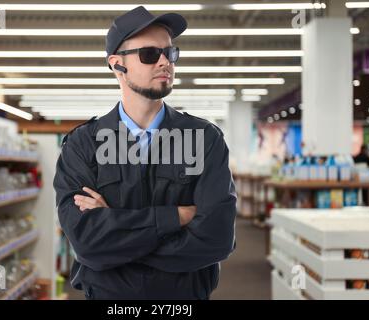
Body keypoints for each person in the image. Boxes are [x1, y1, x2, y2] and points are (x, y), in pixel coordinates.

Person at [53, 6, 237, 300]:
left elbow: (216, 239)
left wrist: (116, 233)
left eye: (170, 53)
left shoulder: (205, 139)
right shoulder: (83, 145)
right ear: (117, 65)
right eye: (150, 54)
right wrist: (176, 217)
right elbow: (87, 243)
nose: (165, 62)